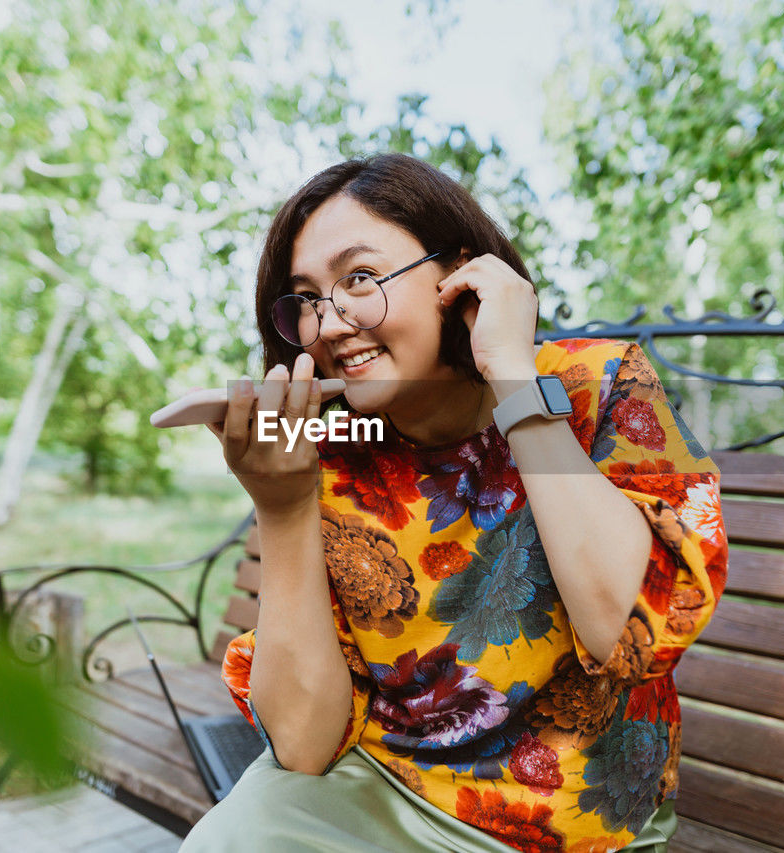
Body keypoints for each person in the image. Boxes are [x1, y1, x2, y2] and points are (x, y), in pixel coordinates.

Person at [180, 153, 727, 852]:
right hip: (379, 788)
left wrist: (510, 372)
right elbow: (302, 745)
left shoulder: (597, 382)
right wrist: (283, 507)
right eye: (308, 298)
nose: (332, 320)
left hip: (572, 825)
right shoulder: (335, 445)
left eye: (359, 278)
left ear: (460, 274)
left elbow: (620, 631)